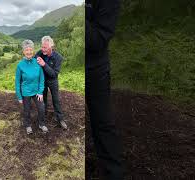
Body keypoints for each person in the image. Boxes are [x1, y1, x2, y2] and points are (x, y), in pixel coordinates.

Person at [85, 0, 125, 179]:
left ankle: (113, 173)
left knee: (103, 124)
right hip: (68, 66)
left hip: (95, 69)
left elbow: (98, 41)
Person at [15, 39, 48, 134]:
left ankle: (42, 124)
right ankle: (28, 125)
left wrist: (40, 92)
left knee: (41, 108)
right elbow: (17, 82)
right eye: (26, 50)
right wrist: (19, 96)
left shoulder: (37, 62)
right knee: (27, 110)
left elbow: (41, 79)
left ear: (33, 51)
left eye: (30, 50)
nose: (29, 52)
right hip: (26, 92)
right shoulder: (20, 65)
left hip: (37, 91)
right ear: (23, 52)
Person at [35, 36, 67, 129]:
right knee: (42, 98)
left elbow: (54, 74)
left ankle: (60, 119)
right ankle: (43, 116)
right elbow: (35, 57)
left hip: (53, 81)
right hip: (43, 80)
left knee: (56, 100)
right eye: (42, 47)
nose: (42, 49)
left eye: (45, 47)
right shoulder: (40, 53)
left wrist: (44, 64)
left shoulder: (58, 57)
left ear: (51, 47)